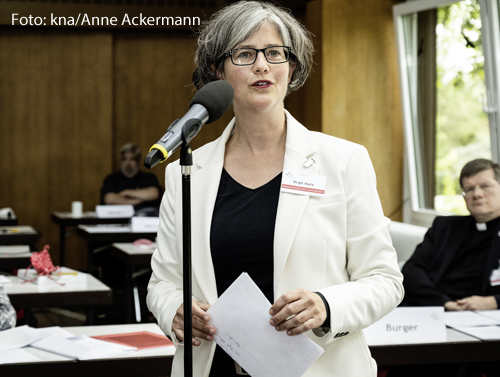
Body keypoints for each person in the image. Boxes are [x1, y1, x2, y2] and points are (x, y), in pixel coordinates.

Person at [147, 2, 404, 376]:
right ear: (217, 71)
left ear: (292, 67)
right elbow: (163, 283)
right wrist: (175, 309)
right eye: (244, 54)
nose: (262, 65)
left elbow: (385, 281)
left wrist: (326, 305)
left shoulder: (343, 161)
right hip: (214, 366)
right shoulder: (188, 172)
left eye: (275, 53)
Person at [402, 158, 500, 311]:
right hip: (436, 309)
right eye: (469, 189)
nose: (477, 194)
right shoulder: (444, 227)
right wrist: (445, 304)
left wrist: (494, 302)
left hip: (485, 317)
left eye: (485, 186)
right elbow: (411, 271)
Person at [100, 143, 162, 213]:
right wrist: (141, 200)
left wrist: (126, 193)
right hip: (118, 219)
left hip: (144, 217)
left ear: (138, 161)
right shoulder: (111, 179)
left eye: (132, 159)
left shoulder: (149, 177)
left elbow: (154, 194)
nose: (128, 163)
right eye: (124, 159)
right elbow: (109, 199)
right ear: (120, 161)